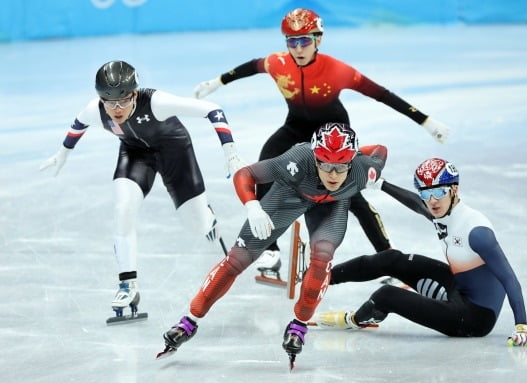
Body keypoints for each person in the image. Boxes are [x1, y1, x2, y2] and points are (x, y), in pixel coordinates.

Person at [192, 8, 450, 273]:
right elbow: (251, 66)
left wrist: (426, 121)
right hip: (295, 127)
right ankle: (270, 250)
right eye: (292, 41)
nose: (298, 48)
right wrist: (217, 82)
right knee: (267, 166)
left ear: (319, 40)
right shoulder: (277, 63)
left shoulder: (337, 70)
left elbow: (382, 95)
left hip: (333, 133)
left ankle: (389, 256)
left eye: (305, 40)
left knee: (352, 196)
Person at [159, 123, 388, 365]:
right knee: (236, 260)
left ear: (352, 161)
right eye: (325, 164)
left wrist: (359, 155)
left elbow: (381, 150)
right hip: (289, 195)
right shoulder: (298, 159)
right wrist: (253, 206)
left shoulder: (364, 169)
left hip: (333, 206)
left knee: (322, 257)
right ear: (314, 156)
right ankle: (189, 321)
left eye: (340, 166)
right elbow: (245, 174)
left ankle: (299, 325)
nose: (332, 174)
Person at [40, 60, 245, 317]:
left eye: (123, 100)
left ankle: (207, 217)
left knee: (198, 226)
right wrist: (62, 154)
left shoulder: (156, 102)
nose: (116, 109)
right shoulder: (97, 108)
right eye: (108, 101)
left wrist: (231, 151)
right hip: (135, 155)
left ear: (135, 94)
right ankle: (127, 284)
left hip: (175, 152)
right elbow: (78, 124)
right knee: (123, 209)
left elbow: (213, 109)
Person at [314, 158, 527, 347]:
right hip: (458, 288)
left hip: (475, 317)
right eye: (426, 193)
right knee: (390, 259)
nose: (432, 201)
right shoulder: (442, 211)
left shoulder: (477, 232)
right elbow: (418, 205)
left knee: (386, 295)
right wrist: (379, 184)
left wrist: (521, 326)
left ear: (454, 190)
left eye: (438, 192)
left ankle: (354, 320)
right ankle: (321, 277)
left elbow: (509, 279)